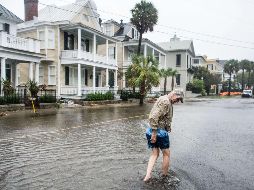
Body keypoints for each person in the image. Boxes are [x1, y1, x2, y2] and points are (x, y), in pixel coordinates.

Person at [144, 91, 181, 182]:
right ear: (174, 95)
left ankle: (147, 175)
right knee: (166, 154)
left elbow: (163, 116)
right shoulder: (166, 101)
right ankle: (164, 176)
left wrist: (168, 127)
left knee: (155, 153)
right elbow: (153, 116)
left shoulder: (164, 99)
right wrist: (154, 133)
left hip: (152, 130)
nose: (178, 101)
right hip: (158, 132)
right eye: (178, 99)